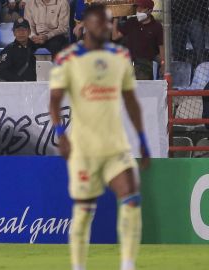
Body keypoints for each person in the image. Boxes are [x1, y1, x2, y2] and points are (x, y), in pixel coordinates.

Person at [49, 4, 150, 270]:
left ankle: (128, 264)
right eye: (101, 22)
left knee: (131, 198)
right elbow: (55, 100)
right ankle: (78, 266)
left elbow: (131, 102)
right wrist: (61, 134)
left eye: (108, 22)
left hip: (115, 145)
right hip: (84, 148)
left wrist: (142, 139)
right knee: (83, 209)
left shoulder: (120, 55)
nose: (106, 27)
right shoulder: (68, 58)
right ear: (86, 24)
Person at [112, 0, 164, 80]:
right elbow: (115, 36)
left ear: (149, 11)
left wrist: (163, 64)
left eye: (141, 9)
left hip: (146, 62)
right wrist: (115, 18)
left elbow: (161, 47)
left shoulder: (156, 26)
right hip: (130, 61)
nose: (138, 11)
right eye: (137, 9)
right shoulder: (131, 22)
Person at [0, 17, 36, 82]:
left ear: (29, 32)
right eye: (18, 30)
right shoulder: (9, 50)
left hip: (32, 87)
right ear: (14, 33)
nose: (21, 33)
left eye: (24, 30)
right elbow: (2, 72)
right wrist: (21, 81)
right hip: (15, 88)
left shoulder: (34, 46)